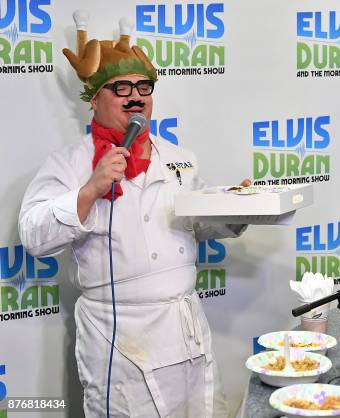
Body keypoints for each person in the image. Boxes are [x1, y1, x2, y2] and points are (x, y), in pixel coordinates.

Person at [18, 14, 245, 417]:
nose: (135, 96)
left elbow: (197, 227)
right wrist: (89, 190)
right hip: (119, 338)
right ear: (94, 98)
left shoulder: (180, 159)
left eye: (144, 87)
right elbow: (34, 237)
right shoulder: (70, 163)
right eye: (120, 88)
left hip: (186, 329)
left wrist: (238, 213)